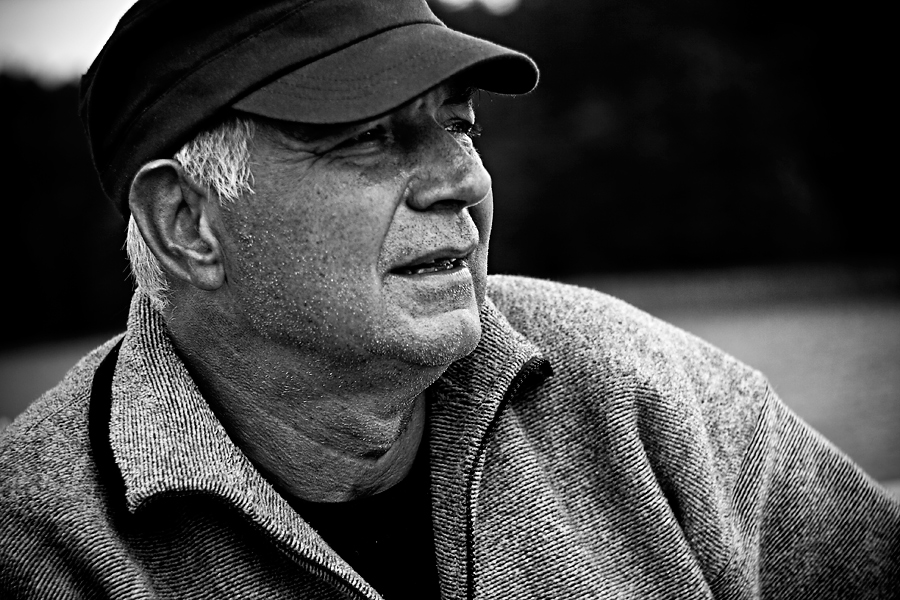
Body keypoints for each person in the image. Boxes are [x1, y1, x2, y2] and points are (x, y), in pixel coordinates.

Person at [1, 0, 897, 598]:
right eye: (367, 137)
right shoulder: (35, 547)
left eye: (460, 124)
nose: (462, 180)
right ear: (187, 223)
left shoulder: (643, 391)